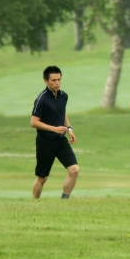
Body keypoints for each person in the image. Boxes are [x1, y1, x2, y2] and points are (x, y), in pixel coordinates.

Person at [31, 65, 79, 199]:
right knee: (42, 178)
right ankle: (34, 203)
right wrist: (55, 129)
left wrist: (69, 128)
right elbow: (34, 122)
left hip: (60, 141)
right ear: (46, 81)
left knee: (74, 170)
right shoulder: (42, 99)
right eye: (53, 80)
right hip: (45, 142)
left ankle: (64, 200)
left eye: (59, 79)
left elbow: (62, 112)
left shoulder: (63, 96)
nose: (57, 83)